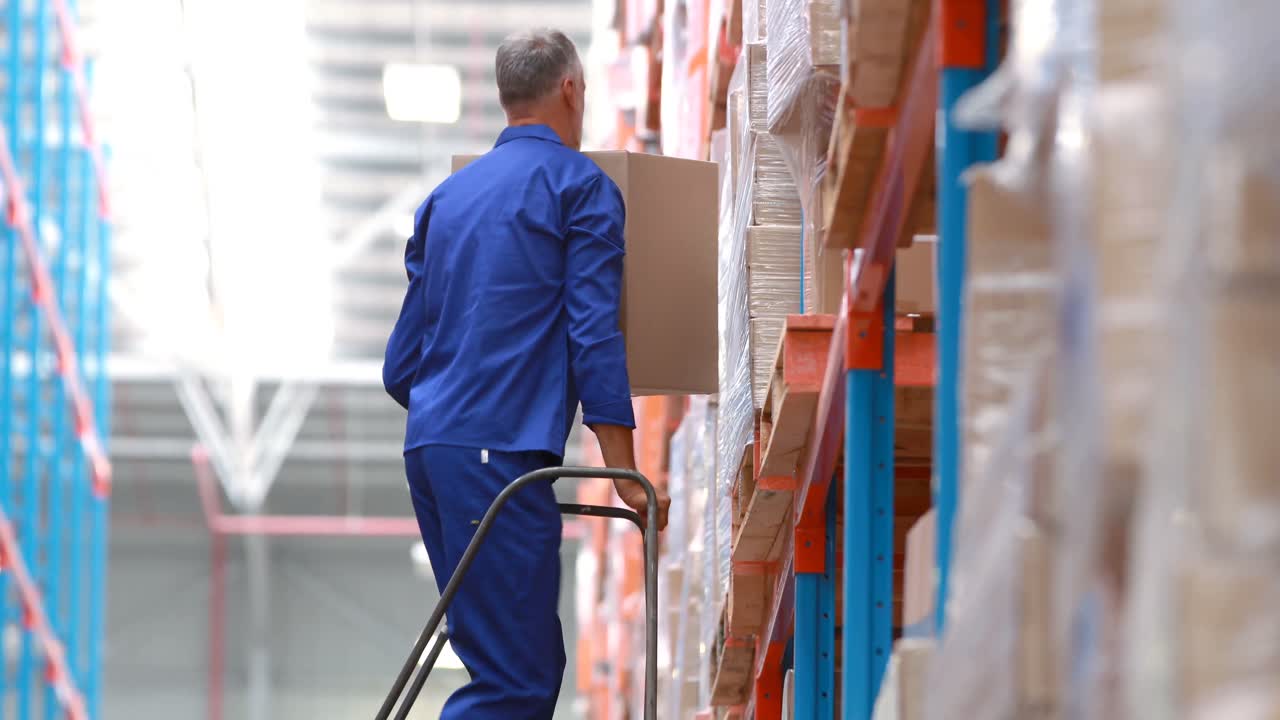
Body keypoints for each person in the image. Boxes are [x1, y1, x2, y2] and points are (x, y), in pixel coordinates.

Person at [382, 27, 671, 719]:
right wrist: (625, 473)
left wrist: (451, 405)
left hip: (433, 452)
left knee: (512, 660)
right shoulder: (580, 188)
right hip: (497, 454)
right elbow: (594, 334)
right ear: (571, 89)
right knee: (515, 680)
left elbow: (401, 365)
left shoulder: (447, 199)